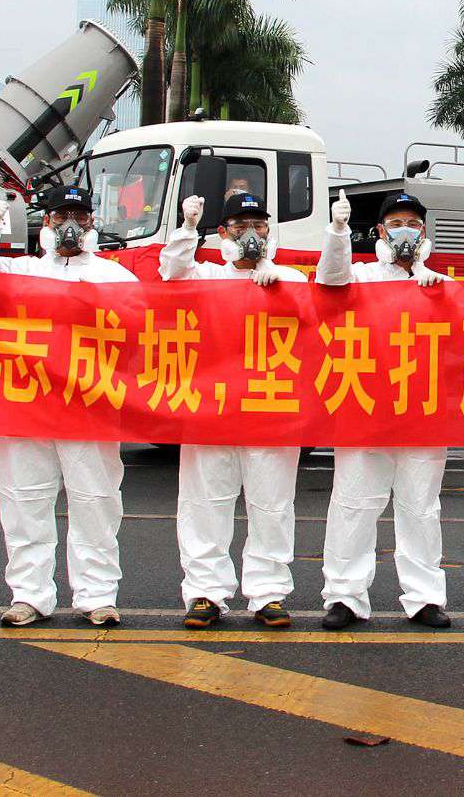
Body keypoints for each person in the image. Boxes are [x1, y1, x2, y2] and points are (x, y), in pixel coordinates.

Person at [0, 184, 136, 628]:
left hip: (89, 407)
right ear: (47, 222)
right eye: (61, 217)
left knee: (96, 501)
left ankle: (97, 595)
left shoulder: (115, 277)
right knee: (24, 502)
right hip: (27, 405)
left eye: (80, 217)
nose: (71, 226)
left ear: (93, 222)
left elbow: (142, 334)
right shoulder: (21, 270)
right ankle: (29, 595)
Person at [161, 189, 305, 630]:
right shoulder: (205, 274)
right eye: (241, 227)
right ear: (222, 233)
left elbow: (319, 321)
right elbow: (171, 272)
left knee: (272, 505)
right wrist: (188, 229)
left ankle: (268, 593)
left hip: (271, 407)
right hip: (211, 408)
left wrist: (282, 289)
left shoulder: (289, 278)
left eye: (259, 225)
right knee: (204, 504)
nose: (251, 234)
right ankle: (206, 592)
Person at [316, 190, 454, 630]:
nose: (405, 231)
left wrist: (443, 298)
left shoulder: (440, 283)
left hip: (422, 412)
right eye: (396, 223)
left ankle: (425, 598)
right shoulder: (361, 275)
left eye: (412, 224)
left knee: (421, 508)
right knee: (354, 504)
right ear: (380, 231)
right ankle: (345, 595)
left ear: (424, 232)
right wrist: (338, 231)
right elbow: (329, 280)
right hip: (365, 406)